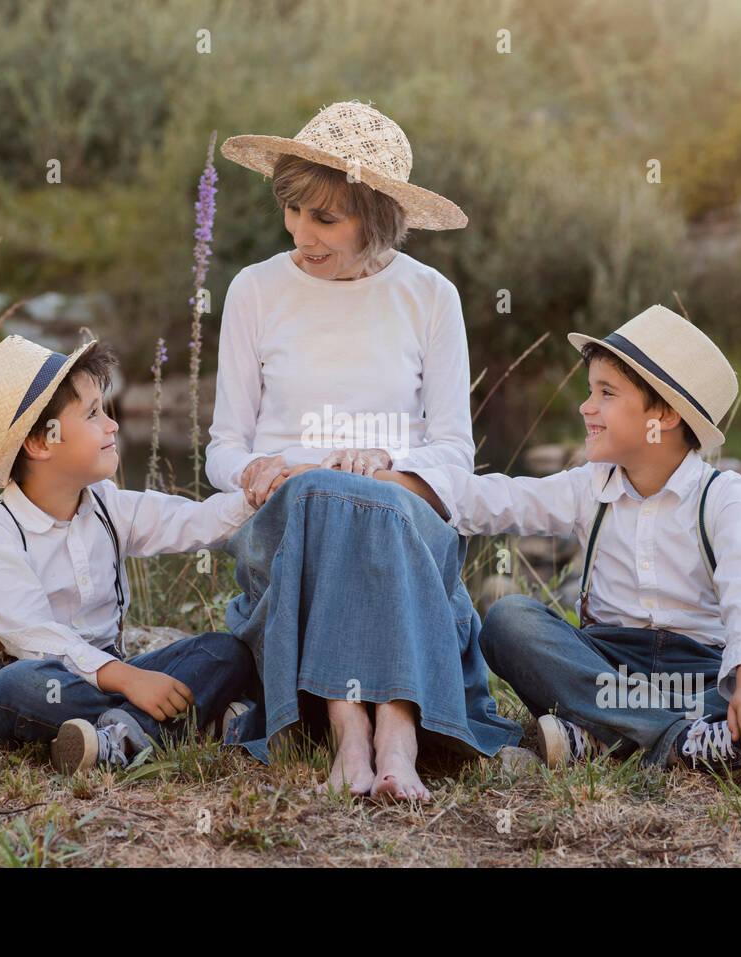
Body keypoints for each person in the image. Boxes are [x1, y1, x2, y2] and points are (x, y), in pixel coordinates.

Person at [207, 101, 521, 802]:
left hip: (402, 517)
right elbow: (223, 447)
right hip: (292, 529)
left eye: (326, 218)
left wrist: (389, 469)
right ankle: (377, 735)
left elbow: (452, 456)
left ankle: (371, 736)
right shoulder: (253, 290)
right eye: (292, 209)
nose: (300, 232)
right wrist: (251, 467)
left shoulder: (431, 297)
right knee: (325, 494)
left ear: (377, 218)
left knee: (367, 502)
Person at [406, 305, 741, 771]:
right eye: (590, 390)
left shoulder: (723, 495)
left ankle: (603, 736)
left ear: (665, 415)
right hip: (606, 666)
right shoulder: (587, 487)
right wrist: (400, 480)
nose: (585, 406)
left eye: (606, 393)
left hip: (699, 674)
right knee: (509, 619)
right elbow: (494, 498)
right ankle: (682, 741)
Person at [0, 334, 259, 774]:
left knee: (225, 651)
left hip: (110, 674)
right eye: (93, 413)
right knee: (19, 687)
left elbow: (195, 521)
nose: (112, 424)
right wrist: (131, 681)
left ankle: (118, 738)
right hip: (26, 678)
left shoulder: (107, 505)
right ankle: (181, 722)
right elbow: (34, 638)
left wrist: (260, 490)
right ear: (41, 442)